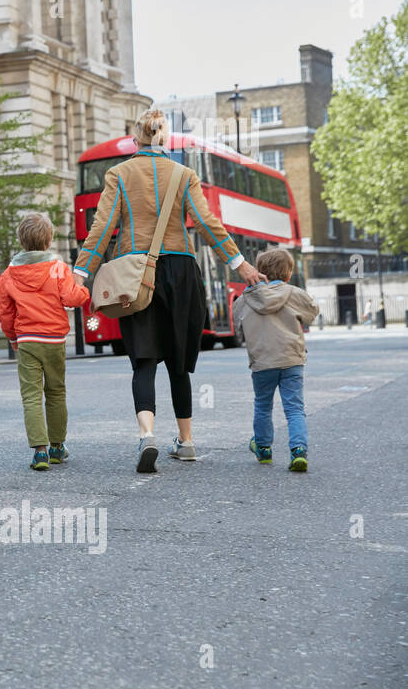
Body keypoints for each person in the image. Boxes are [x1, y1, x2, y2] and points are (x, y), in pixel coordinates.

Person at [73, 110, 265, 473]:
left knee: (143, 360)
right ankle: (187, 441)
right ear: (163, 139)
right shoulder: (184, 175)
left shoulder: (118, 174)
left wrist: (80, 274)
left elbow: (102, 229)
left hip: (135, 272)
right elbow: (208, 224)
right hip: (180, 270)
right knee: (179, 362)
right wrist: (241, 264)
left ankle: (147, 435)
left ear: (135, 139)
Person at [0, 212, 91, 471]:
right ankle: (57, 447)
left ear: (21, 240)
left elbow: (6, 313)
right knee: (56, 393)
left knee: (31, 396)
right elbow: (72, 298)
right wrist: (84, 290)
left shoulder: (8, 275)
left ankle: (40, 452)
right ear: (49, 240)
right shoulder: (58, 268)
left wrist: (13, 339)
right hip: (54, 340)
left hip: (27, 340)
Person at [234, 248, 319, 472]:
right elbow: (312, 312)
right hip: (292, 359)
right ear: (288, 274)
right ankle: (298, 451)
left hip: (262, 362)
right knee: (294, 408)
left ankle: (263, 448)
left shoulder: (244, 299)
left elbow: (238, 329)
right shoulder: (294, 293)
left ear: (259, 271)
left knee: (263, 405)